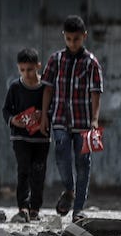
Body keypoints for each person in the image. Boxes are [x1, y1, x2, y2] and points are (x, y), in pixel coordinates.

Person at [40, 15, 104, 221]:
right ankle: (69, 189)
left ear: (84, 37)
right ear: (64, 37)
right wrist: (43, 115)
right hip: (59, 118)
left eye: (76, 39)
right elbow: (47, 89)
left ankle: (78, 210)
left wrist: (95, 120)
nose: (72, 43)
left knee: (83, 163)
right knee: (60, 149)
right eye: (68, 39)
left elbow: (96, 93)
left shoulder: (91, 63)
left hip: (83, 122)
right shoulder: (55, 60)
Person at [2, 48, 49, 222]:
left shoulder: (46, 87)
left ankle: (35, 208)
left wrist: (43, 115)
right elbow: (6, 110)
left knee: (39, 171)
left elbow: (53, 108)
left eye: (30, 69)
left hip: (41, 138)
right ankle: (23, 207)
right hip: (20, 137)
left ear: (38, 66)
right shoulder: (15, 87)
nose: (26, 74)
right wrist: (13, 120)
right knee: (23, 170)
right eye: (22, 70)